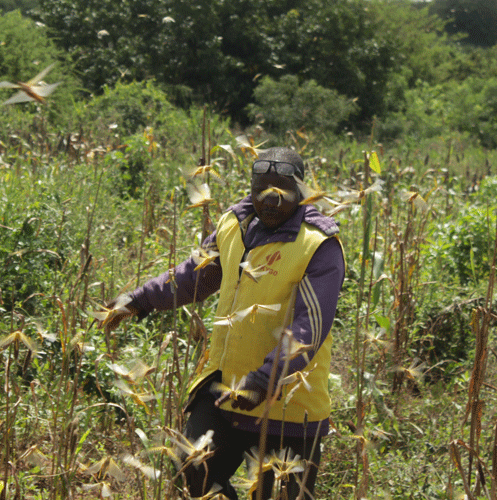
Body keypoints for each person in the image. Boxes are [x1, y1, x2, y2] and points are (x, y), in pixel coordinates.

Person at [105, 147, 345, 499]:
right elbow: (194, 277)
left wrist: (265, 380)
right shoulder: (235, 225)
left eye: (283, 191)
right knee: (191, 467)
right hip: (225, 391)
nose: (271, 201)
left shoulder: (318, 245)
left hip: (288, 411)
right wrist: (138, 301)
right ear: (251, 187)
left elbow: (310, 325)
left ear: (302, 192)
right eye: (262, 189)